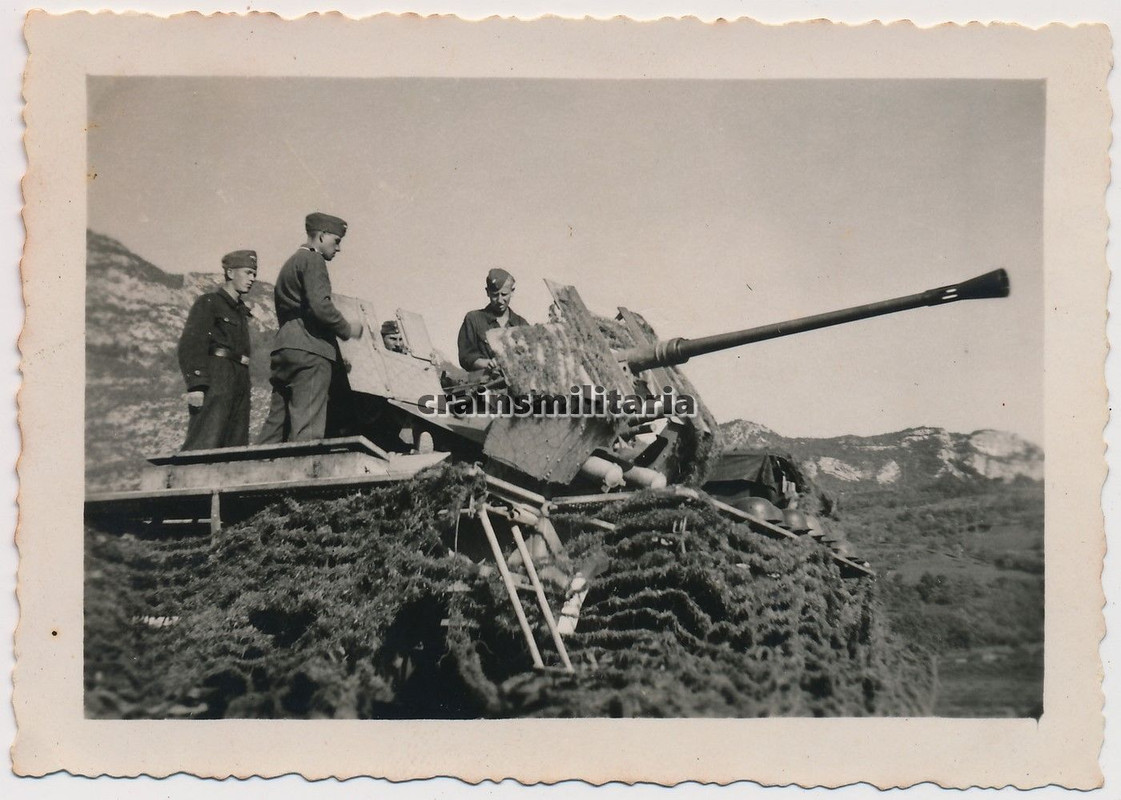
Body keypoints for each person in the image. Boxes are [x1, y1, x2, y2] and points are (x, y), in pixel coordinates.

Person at [258, 212, 363, 443]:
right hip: (310, 351)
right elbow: (320, 306)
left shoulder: (290, 263)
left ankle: (258, 464)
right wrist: (347, 329)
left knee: (276, 427)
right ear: (322, 236)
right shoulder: (314, 260)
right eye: (337, 241)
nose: (338, 248)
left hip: (284, 349)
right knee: (308, 429)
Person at [176, 249, 258, 450]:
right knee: (205, 440)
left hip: (240, 379)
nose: (252, 279)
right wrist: (196, 385)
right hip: (217, 379)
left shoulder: (240, 311)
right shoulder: (209, 302)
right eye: (248, 272)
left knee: (236, 446)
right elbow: (191, 344)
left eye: (254, 274)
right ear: (230, 273)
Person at [456, 267, 529, 371]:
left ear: (512, 292)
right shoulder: (473, 319)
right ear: (487, 292)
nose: (500, 300)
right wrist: (486, 364)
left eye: (504, 294)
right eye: (495, 295)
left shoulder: (521, 324)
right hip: (485, 379)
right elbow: (466, 356)